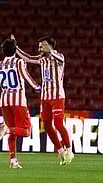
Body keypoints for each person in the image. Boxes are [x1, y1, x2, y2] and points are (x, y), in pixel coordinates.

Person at [14, 34, 74, 165]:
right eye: (39, 46)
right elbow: (28, 58)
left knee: (58, 124)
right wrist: (15, 47)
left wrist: (50, 51)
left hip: (57, 96)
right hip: (45, 97)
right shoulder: (41, 59)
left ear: (50, 46)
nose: (40, 48)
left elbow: (60, 59)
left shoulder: (59, 58)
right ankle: (60, 151)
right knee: (47, 125)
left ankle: (69, 151)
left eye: (43, 46)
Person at [0, 38, 40, 168]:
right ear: (15, 50)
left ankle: (13, 161)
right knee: (26, 131)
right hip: (18, 101)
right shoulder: (19, 62)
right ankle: (6, 128)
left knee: (13, 133)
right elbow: (26, 76)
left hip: (4, 102)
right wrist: (38, 87)